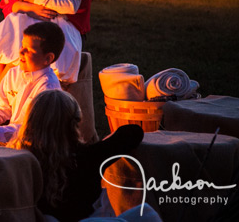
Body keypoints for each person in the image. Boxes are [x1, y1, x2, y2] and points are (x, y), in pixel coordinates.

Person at [9, 90, 144, 221]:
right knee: (145, 213)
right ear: (74, 123)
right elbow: (134, 132)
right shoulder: (87, 157)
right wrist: (104, 144)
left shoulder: (20, 160)